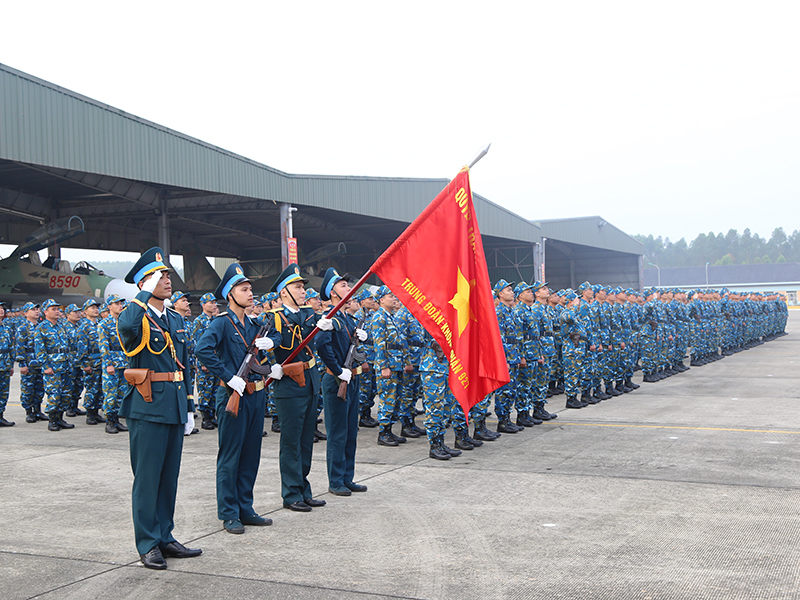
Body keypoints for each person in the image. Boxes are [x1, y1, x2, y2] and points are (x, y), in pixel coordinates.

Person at [117, 247, 201, 570]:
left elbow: (186, 365)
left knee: (169, 478)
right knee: (148, 478)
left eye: (166, 274)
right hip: (148, 405)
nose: (167, 280)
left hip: (175, 404)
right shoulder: (137, 315)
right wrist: (140, 295)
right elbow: (125, 329)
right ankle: (147, 543)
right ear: (144, 282)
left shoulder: (176, 319)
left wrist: (190, 407)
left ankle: (165, 535)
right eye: (159, 276)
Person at [195, 263, 274, 534]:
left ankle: (246, 508)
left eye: (251, 289)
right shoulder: (221, 323)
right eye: (244, 289)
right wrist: (229, 376)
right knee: (230, 456)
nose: (250, 293)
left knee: (251, 455)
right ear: (230, 294)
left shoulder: (254, 325)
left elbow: (263, 355)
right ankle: (229, 512)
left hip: (254, 396)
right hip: (232, 395)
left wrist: (270, 347)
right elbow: (202, 350)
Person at [262, 263, 333, 512]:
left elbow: (320, 343)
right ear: (283, 292)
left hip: (310, 380)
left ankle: (304, 489)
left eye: (303, 286)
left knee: (305, 440)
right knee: (291, 442)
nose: (303, 291)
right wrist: (271, 365)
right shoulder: (274, 318)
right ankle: (291, 493)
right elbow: (264, 346)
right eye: (297, 287)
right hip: (289, 385)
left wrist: (325, 329)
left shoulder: (308, 315)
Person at [315, 268, 369, 496]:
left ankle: (348, 477)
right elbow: (321, 345)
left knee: (350, 431)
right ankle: (335, 480)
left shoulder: (348, 318)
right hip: (337, 380)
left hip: (352, 378)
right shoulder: (329, 318)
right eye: (343, 285)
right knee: (337, 432)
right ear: (332, 293)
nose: (348, 288)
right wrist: (338, 371)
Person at [34, 300, 74, 431]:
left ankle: (60, 418)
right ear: (46, 312)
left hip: (65, 366)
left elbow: (68, 346)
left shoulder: (61, 326)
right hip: (53, 367)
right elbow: (39, 350)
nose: (57, 311)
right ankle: (52, 420)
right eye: (53, 309)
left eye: (58, 309)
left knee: (66, 394)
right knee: (54, 394)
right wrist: (45, 366)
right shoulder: (41, 328)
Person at [98, 295, 130, 434]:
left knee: (121, 393)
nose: (119, 306)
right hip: (112, 363)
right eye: (116, 304)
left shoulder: (123, 322)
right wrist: (108, 364)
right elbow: (103, 346)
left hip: (124, 362)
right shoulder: (104, 324)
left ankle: (116, 420)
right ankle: (109, 422)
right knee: (110, 394)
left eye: (120, 303)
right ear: (109, 307)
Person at [191, 293, 220, 430]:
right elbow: (198, 344)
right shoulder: (199, 321)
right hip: (206, 362)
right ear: (203, 305)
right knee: (205, 390)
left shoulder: (216, 320)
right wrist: (203, 363)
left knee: (215, 389)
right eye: (211, 303)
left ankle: (212, 415)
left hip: (216, 361)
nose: (214, 305)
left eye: (215, 303)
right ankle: (205, 418)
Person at [77, 298, 107, 425]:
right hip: (91, 362)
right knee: (91, 388)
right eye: (92, 308)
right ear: (85, 311)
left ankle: (96, 412)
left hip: (101, 361)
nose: (96, 310)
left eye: (96, 307)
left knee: (100, 388)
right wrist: (85, 364)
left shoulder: (100, 324)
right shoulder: (84, 326)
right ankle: (90, 413)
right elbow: (81, 347)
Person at [16, 302, 46, 423]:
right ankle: (29, 412)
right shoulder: (23, 327)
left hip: (40, 362)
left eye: (37, 309)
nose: (37, 311)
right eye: (33, 309)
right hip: (29, 363)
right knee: (28, 388)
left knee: (39, 388)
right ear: (25, 313)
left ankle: (37, 410)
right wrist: (22, 364)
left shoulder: (40, 326)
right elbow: (20, 347)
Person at [0, 302, 15, 426]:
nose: (1, 310)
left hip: (4, 365)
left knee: (3, 393)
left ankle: (0, 416)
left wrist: (10, 365)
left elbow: (10, 347)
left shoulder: (6, 327)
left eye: (2, 308)